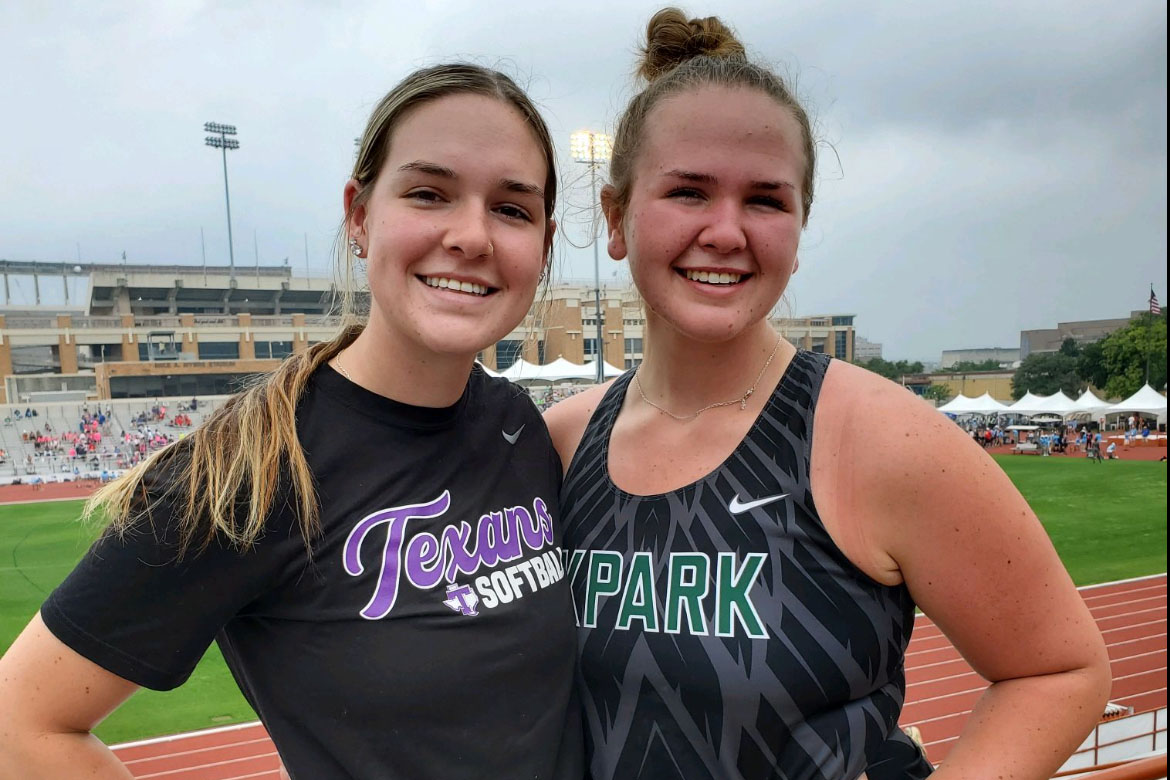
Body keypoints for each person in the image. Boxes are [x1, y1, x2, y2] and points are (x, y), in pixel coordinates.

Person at [544, 9, 1110, 779]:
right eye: (687, 192)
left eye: (766, 201)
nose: (725, 230)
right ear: (616, 218)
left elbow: (1059, 671)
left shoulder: (879, 440)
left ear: (800, 225)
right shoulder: (563, 443)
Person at [0, 64, 582, 779]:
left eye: (512, 209)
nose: (471, 235)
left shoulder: (517, 423)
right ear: (361, 215)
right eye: (429, 193)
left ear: (544, 246)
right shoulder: (250, 468)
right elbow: (21, 722)